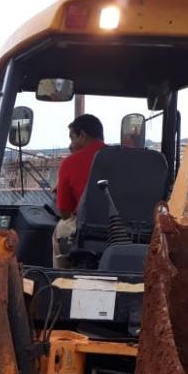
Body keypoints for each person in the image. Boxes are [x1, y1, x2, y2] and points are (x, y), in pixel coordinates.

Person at [53, 114, 105, 268]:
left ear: (82, 136)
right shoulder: (121, 158)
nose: (71, 145)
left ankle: (60, 281)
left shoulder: (70, 162)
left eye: (72, 138)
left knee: (61, 228)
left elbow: (65, 213)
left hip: (88, 230)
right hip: (125, 230)